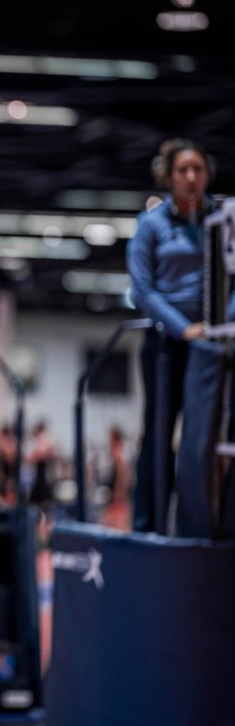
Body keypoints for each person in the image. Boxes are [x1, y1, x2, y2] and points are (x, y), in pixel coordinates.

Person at [127, 138, 215, 532]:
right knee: (159, 435)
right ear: (169, 176)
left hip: (211, 345)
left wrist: (220, 323)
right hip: (165, 345)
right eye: (183, 170)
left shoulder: (219, 222)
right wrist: (183, 329)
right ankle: (148, 525)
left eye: (198, 169)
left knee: (202, 439)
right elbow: (142, 291)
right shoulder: (151, 224)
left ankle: (198, 525)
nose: (191, 177)